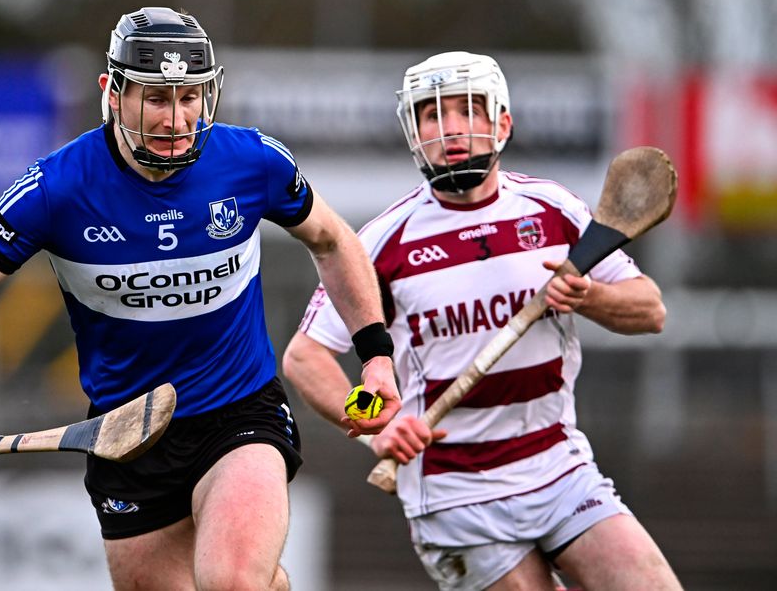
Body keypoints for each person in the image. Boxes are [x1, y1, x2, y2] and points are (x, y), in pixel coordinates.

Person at [0, 6, 400, 591]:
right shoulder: (57, 189)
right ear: (113, 91)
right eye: (156, 97)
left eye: (190, 97)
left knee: (230, 581)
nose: (177, 119)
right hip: (124, 436)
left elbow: (334, 242)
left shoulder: (252, 161)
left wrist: (375, 353)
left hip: (239, 410)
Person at [282, 51, 682, 590]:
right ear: (412, 129)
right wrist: (375, 422)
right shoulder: (381, 244)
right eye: (431, 114)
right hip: (454, 493)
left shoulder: (553, 210)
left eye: (466, 110)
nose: (449, 128)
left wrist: (587, 298)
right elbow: (305, 357)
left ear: (502, 123)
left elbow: (649, 309)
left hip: (559, 467)